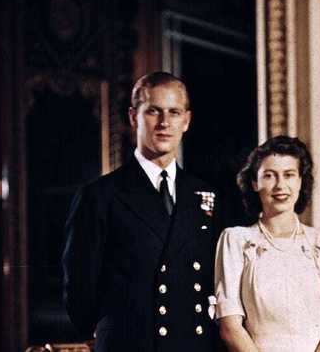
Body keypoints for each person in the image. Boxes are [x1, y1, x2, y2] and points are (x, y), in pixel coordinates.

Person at [62, 72, 219, 352]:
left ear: (187, 120)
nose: (164, 123)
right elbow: (79, 291)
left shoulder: (204, 196)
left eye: (174, 112)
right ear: (134, 117)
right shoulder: (100, 196)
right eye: (153, 112)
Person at [214, 136, 320, 352]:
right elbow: (230, 327)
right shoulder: (236, 241)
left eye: (289, 175)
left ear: (300, 181)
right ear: (254, 183)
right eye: (269, 176)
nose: (280, 185)